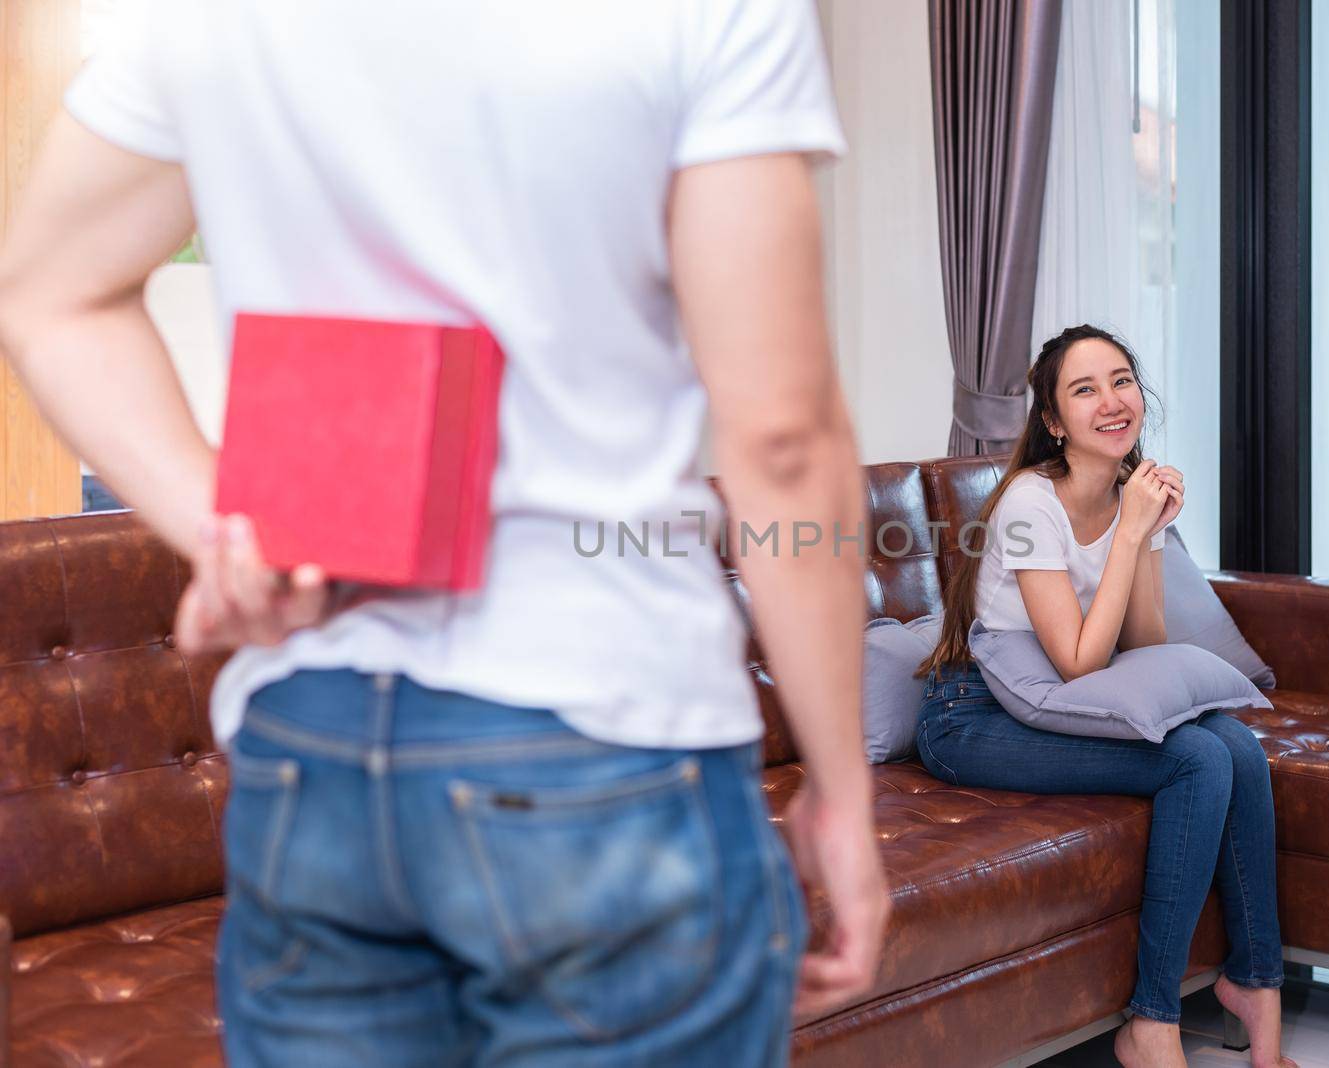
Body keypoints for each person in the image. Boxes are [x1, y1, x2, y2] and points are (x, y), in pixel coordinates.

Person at [0, 1, 888, 1064]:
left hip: (311, 742)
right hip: (600, 728)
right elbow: (782, 439)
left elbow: (46, 294)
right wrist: (840, 788)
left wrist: (224, 528)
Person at [913, 325, 1296, 1068]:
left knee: (1238, 748)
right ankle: (1150, 1024)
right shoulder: (1030, 503)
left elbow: (1143, 647)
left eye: (1121, 381)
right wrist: (1127, 537)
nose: (1112, 401)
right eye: (1084, 389)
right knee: (1196, 761)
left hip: (1056, 695)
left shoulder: (1124, 491)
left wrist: (1146, 534)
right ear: (1053, 421)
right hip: (973, 714)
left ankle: (1255, 985)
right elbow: (1083, 662)